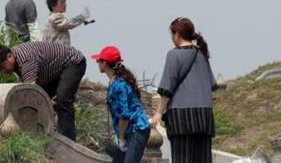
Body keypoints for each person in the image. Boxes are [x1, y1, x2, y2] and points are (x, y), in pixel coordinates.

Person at [0, 41, 85, 140]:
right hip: (52, 70)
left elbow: (30, 93)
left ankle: (68, 140)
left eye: (2, 67)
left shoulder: (26, 60)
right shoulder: (16, 58)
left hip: (72, 63)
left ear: (9, 56)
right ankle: (42, 135)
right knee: (42, 102)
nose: (2, 71)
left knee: (62, 99)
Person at [150, 17, 217, 163]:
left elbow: (167, 89)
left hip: (182, 118)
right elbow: (211, 84)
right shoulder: (202, 54)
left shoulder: (173, 55)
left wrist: (158, 112)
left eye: (172, 34)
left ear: (177, 34)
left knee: (182, 159)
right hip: (204, 116)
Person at [92, 46, 150, 163]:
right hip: (129, 130)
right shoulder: (115, 82)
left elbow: (124, 115)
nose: (97, 63)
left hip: (136, 129)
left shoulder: (119, 85)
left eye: (99, 60)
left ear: (105, 63)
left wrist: (121, 138)